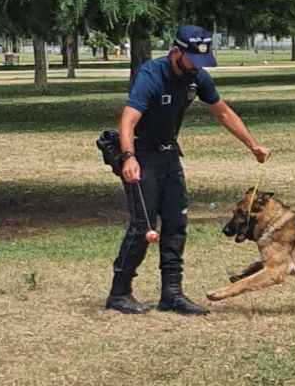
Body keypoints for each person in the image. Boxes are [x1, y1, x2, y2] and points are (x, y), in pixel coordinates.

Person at [105, 24, 270, 316]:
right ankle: (119, 293)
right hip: (141, 156)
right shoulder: (150, 75)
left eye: (202, 62)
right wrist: (129, 158)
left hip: (169, 156)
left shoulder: (197, 78)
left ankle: (171, 294)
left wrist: (252, 145)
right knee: (143, 227)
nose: (198, 67)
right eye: (193, 60)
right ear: (175, 52)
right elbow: (128, 120)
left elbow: (223, 112)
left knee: (176, 225)